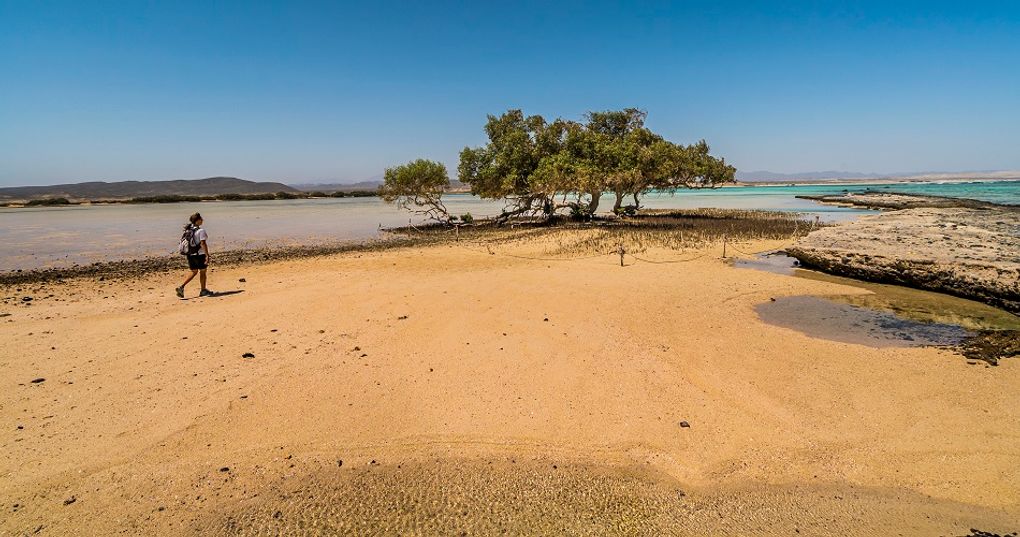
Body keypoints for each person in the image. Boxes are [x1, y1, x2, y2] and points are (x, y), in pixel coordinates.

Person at [176, 212, 214, 298]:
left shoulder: (188, 230)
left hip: (190, 254)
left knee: (194, 271)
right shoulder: (201, 231)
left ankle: (181, 287)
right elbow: (203, 243)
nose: (202, 220)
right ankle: (203, 290)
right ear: (197, 221)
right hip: (199, 255)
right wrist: (207, 255)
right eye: (201, 219)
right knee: (203, 271)